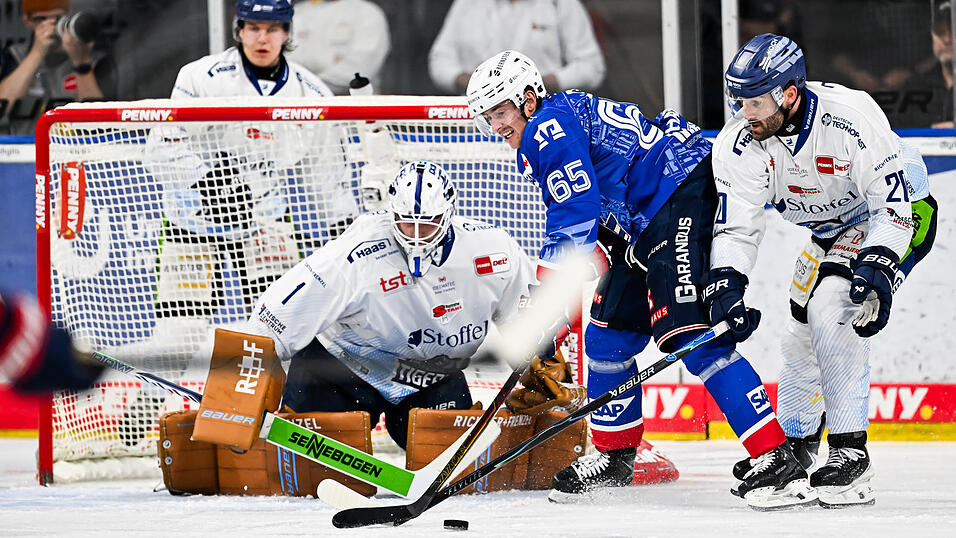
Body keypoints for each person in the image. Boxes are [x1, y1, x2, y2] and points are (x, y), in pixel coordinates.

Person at [466, 50, 800, 509]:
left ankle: (776, 458)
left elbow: (574, 214)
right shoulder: (550, 126)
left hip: (679, 191)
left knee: (690, 335)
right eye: (487, 117)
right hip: (643, 220)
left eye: (501, 112)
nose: (496, 125)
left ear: (528, 99)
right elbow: (595, 224)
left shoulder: (546, 130)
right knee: (607, 338)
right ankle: (615, 456)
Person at [713, 34, 937, 508]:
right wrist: (727, 282)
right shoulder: (739, 143)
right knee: (798, 334)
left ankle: (851, 456)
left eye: (755, 102)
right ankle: (795, 451)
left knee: (833, 306)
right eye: (738, 101)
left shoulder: (851, 116)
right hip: (829, 231)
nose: (744, 114)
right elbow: (737, 228)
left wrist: (880, 261)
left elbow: (893, 207)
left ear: (790, 93)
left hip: (898, 216)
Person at [240, 160, 538, 448]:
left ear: (448, 215)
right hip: (339, 369)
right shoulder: (355, 253)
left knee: (456, 464)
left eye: (428, 224)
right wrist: (241, 388)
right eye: (408, 224)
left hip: (431, 377)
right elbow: (278, 313)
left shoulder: (493, 250)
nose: (417, 236)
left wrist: (540, 360)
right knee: (305, 469)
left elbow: (529, 314)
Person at [152, 0, 357, 318]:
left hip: (265, 219)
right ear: (239, 30)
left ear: (287, 32)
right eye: (253, 28)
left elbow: (325, 171)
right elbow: (161, 145)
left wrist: (341, 227)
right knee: (181, 329)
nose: (262, 39)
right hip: (191, 218)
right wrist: (207, 181)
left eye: (272, 29)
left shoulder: (311, 94)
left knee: (279, 322)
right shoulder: (200, 77)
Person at [429, 0, 605, 95]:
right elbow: (440, 59)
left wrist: (537, 83)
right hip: (475, 126)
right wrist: (472, 82)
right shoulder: (467, 4)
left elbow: (591, 66)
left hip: (541, 119)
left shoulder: (561, 3)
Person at [0, 0, 114, 134]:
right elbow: (2, 107)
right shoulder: (16, 55)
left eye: (58, 18)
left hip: (77, 144)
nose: (51, 26)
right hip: (27, 144)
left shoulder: (92, 58)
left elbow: (101, 123)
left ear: (69, 14)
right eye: (41, 19)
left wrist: (82, 63)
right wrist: (37, 52)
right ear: (27, 20)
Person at [0, 290, 103, 393]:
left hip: (38, 341)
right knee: (82, 381)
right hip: (27, 366)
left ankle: (94, 358)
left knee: (83, 377)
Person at [287, 0, 390, 95]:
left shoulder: (367, 13)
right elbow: (286, 60)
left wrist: (308, 86)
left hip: (353, 104)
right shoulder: (296, 13)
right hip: (298, 102)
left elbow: (360, 70)